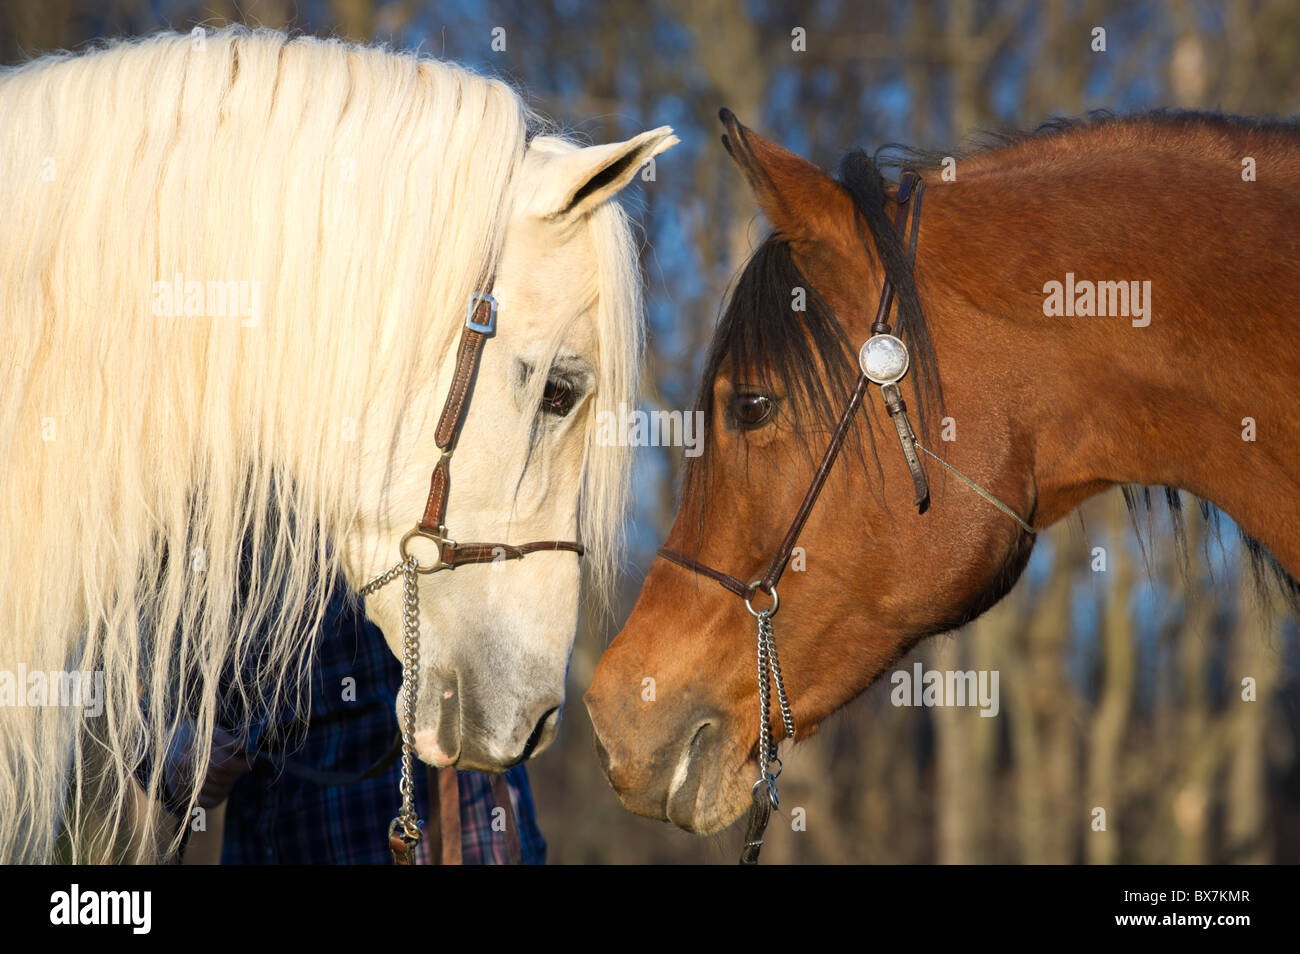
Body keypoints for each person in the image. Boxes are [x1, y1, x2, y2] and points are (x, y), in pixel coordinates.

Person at [168, 582, 546, 865]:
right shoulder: (216, 495)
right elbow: (142, 686)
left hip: (469, 821)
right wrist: (176, 751)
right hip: (294, 830)